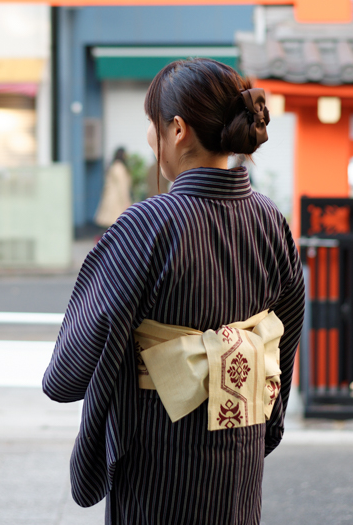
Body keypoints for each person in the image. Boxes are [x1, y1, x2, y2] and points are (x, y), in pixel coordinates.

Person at [43, 58, 305, 525]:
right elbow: (282, 346)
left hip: (159, 459)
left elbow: (66, 375)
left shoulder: (145, 225)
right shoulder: (271, 221)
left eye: (152, 124)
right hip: (239, 455)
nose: (150, 137)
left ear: (178, 130)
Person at [94, 147, 133, 228]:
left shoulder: (114, 166)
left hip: (112, 198)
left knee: (110, 225)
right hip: (116, 200)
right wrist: (126, 201)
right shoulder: (119, 168)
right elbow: (122, 186)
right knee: (116, 224)